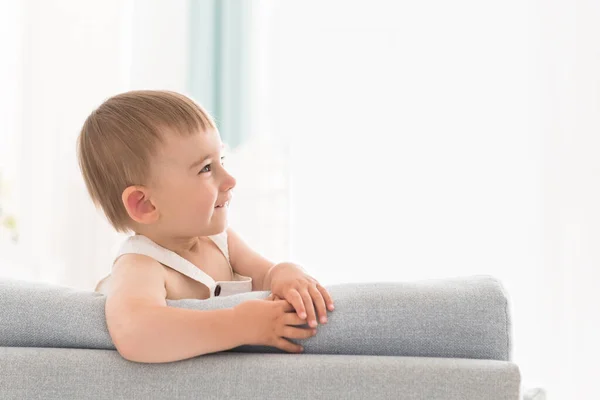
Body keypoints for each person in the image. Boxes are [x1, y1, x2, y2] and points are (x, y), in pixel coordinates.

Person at [77, 90, 334, 363]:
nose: (230, 179)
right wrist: (239, 324)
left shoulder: (221, 242)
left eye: (221, 161)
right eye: (206, 169)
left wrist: (287, 273)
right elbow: (135, 332)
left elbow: (268, 274)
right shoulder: (141, 264)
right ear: (145, 204)